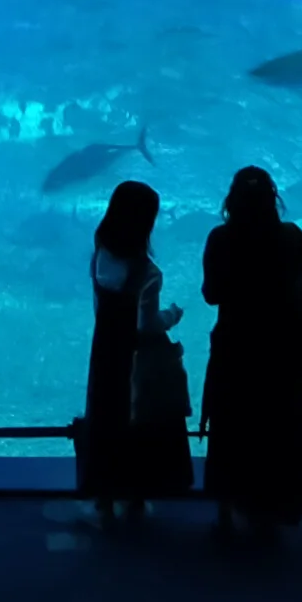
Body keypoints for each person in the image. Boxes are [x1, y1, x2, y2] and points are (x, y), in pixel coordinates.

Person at [200, 165, 302, 538]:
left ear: (231, 201)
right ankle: (272, 507)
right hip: (281, 347)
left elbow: (211, 295)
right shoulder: (292, 237)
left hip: (236, 345)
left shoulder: (220, 239)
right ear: (273, 199)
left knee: (233, 421)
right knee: (279, 423)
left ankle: (226, 507)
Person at [78, 179, 191, 520]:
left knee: (104, 415)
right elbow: (147, 323)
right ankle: (136, 493)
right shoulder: (147, 271)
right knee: (138, 420)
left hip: (105, 349)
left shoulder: (101, 254)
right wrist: (171, 316)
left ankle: (104, 497)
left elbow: (103, 306)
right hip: (138, 357)